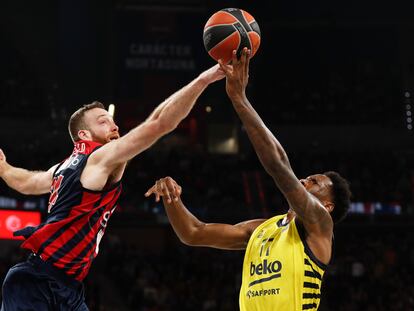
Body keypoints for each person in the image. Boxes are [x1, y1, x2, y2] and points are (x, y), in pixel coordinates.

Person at [0, 64, 225, 310]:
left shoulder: (62, 169)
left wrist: (3, 168)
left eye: (113, 121)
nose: (115, 127)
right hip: (37, 282)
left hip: (68, 287)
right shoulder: (98, 159)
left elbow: (26, 182)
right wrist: (206, 78)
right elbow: (159, 123)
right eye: (103, 122)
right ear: (84, 135)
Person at [145, 49, 352, 311]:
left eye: (314, 182)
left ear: (327, 206)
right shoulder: (261, 230)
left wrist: (239, 99)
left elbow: (278, 167)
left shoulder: (319, 225)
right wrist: (171, 198)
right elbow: (193, 233)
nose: (303, 180)